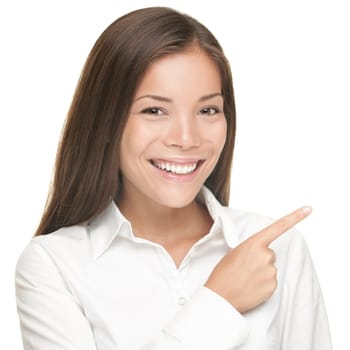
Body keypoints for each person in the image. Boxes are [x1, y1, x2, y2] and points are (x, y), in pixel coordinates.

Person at [15, 6, 332, 350]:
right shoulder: (53, 266)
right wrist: (220, 301)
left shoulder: (278, 250)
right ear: (107, 120)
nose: (186, 138)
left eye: (207, 110)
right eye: (154, 110)